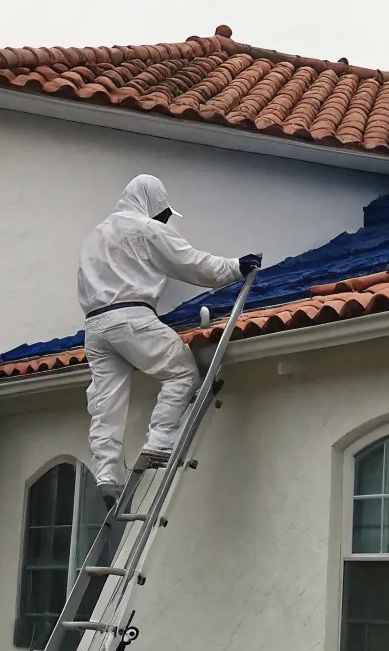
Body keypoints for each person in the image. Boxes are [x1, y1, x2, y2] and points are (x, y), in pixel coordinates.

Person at [78, 175, 261, 493]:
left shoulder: (95, 236)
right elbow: (189, 263)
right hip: (131, 317)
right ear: (151, 204)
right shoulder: (144, 228)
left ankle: (106, 475)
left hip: (95, 327)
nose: (162, 220)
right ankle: (161, 441)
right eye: (162, 214)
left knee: (107, 403)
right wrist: (235, 266)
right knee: (182, 373)